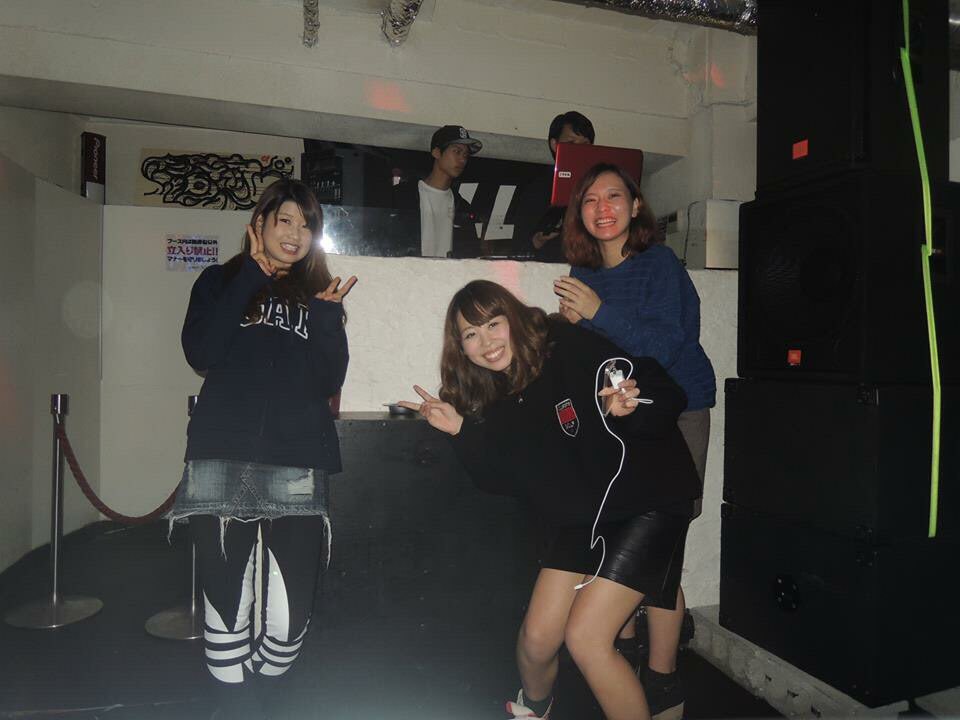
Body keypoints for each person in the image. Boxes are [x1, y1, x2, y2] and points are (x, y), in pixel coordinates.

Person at [398, 280, 700, 720]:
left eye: (493, 324)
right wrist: (460, 430)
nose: (486, 342)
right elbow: (501, 478)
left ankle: (659, 681)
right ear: (460, 349)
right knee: (537, 642)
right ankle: (536, 708)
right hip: (587, 516)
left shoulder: (566, 345)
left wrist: (633, 405)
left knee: (586, 637)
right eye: (471, 334)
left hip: (646, 498)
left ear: (514, 318)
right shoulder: (497, 394)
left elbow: (664, 390)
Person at [170, 178, 357, 719]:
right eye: (285, 220)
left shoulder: (318, 297)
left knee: (288, 622)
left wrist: (327, 319)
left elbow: (328, 380)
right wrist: (251, 276)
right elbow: (201, 351)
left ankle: (268, 691)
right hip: (222, 452)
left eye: (306, 225)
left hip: (296, 459)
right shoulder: (219, 280)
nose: (296, 234)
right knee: (226, 606)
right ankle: (234, 706)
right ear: (260, 223)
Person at [554, 163, 717, 719]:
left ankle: (663, 677)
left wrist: (597, 312)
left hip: (677, 413)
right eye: (590, 199)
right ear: (579, 212)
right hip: (616, 420)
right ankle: (622, 655)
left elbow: (666, 347)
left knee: (662, 548)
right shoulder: (582, 273)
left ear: (635, 206)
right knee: (620, 536)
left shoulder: (659, 263)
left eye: (614, 197)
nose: (602, 208)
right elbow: (594, 358)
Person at [514, 111, 595, 262]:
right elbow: (519, 245)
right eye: (571, 143)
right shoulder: (538, 189)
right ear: (554, 145)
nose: (578, 150)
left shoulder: (598, 186)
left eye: (584, 145)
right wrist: (537, 241)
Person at [391, 124, 483, 258]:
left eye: (466, 155)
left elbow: (471, 255)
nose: (462, 159)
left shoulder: (463, 208)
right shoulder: (402, 195)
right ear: (437, 152)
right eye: (457, 151)